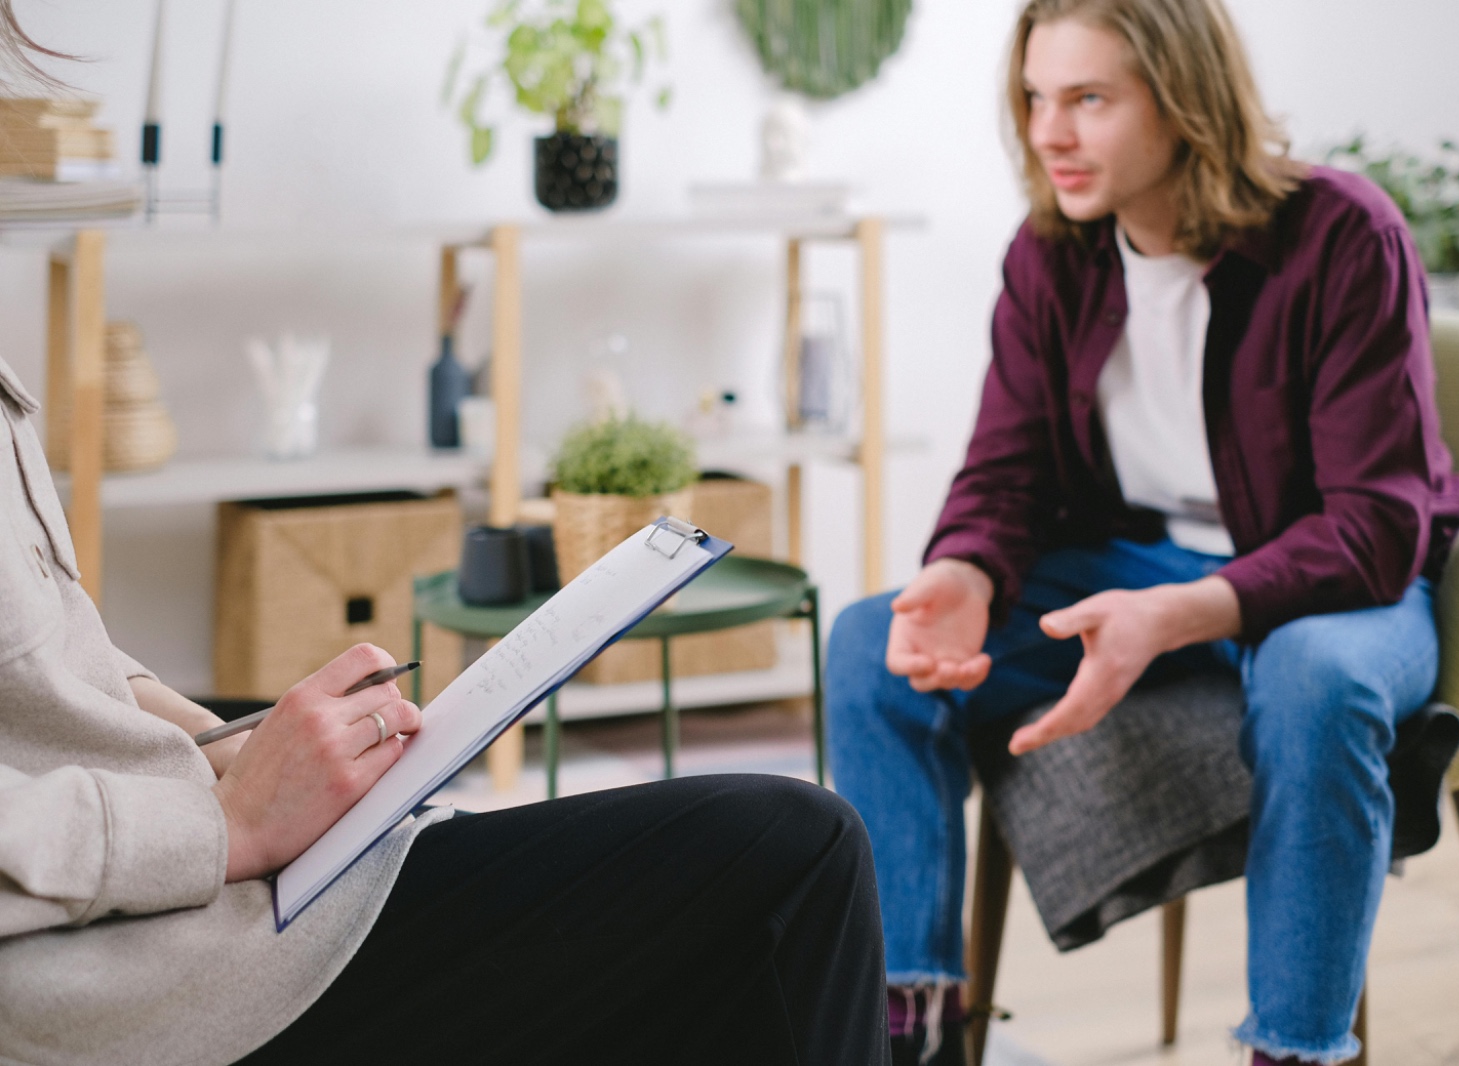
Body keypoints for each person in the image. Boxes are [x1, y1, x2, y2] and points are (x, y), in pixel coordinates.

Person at [0, 12, 889, 1066]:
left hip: (198, 901)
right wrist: (231, 826)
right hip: (145, 977)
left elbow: (56, 657)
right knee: (795, 854)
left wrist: (236, 742)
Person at [825, 1, 1459, 1064]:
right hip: (1140, 563)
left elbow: (1374, 524)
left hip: (1339, 581)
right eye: (1036, 98)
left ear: (1184, 100)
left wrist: (1174, 616)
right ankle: (911, 1030)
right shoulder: (1050, 255)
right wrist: (966, 569)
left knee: (1316, 679)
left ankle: (1298, 1048)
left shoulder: (1341, 233)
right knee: (871, 643)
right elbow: (1006, 468)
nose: (1048, 133)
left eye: (1088, 98)